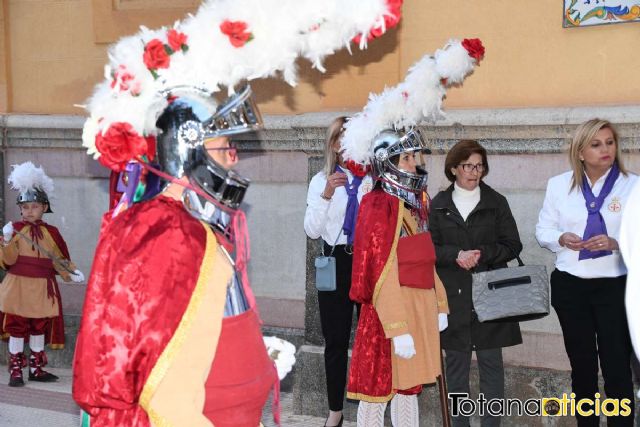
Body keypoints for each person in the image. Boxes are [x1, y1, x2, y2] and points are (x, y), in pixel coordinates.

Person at [70, 2, 403, 426]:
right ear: (185, 149)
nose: (233, 156)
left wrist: (254, 361)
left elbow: (198, 327)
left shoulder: (191, 222)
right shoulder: (163, 231)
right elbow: (158, 374)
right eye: (221, 145)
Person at [340, 38, 485, 427]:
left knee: (410, 390)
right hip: (392, 316)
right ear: (387, 162)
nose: (415, 163)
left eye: (416, 156)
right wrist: (398, 327)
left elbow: (425, 260)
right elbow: (379, 272)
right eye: (407, 157)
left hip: (416, 308)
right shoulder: (378, 205)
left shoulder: (411, 206)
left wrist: (438, 303)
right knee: (378, 394)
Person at [536, 118, 637, 426]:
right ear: (580, 152)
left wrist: (617, 242)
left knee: (617, 366)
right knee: (582, 368)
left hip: (616, 285)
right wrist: (560, 239)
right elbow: (543, 229)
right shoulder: (558, 184)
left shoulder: (633, 185)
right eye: (596, 144)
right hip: (571, 287)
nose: (605, 149)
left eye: (609, 142)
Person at [429, 140, 522, 427]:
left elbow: (512, 244)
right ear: (454, 168)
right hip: (453, 296)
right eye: (468, 165)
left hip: (490, 295)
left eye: (479, 166)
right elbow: (429, 249)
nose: (475, 171)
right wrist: (455, 255)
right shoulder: (439, 204)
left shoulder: (496, 202)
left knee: (491, 366)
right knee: (456, 369)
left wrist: (482, 254)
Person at [304, 116, 373, 427]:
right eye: (343, 140)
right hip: (333, 260)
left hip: (366, 262)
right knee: (335, 340)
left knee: (370, 338)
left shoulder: (372, 180)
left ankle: (371, 409)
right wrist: (327, 195)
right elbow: (312, 230)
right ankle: (335, 411)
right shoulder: (321, 180)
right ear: (334, 145)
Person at [0, 162, 84, 387]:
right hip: (17, 287)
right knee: (17, 327)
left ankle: (36, 368)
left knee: (39, 326)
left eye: (34, 206)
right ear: (20, 209)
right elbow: (7, 261)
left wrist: (71, 273)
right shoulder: (15, 231)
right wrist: (6, 240)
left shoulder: (51, 233)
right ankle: (16, 369)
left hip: (42, 289)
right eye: (25, 206)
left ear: (44, 207)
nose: (29, 211)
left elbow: (58, 259)